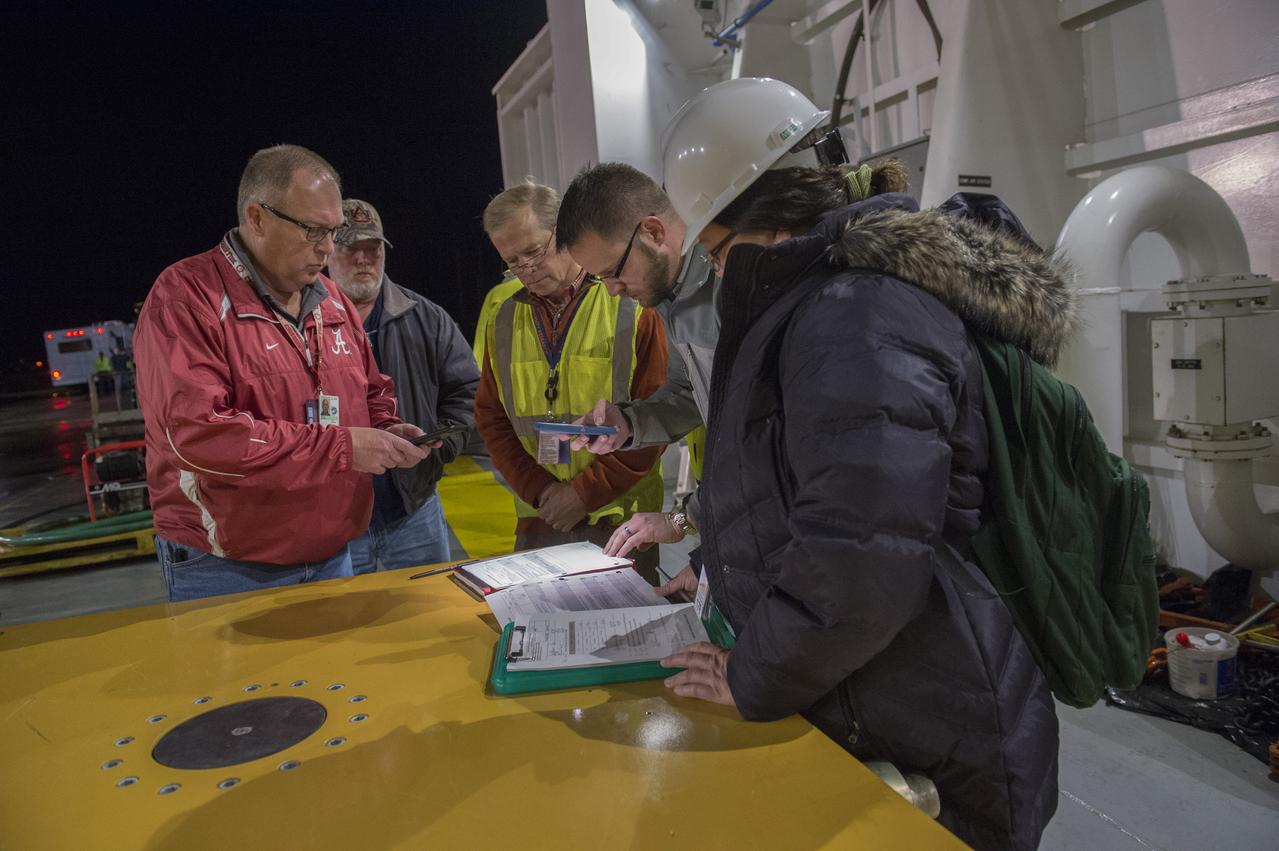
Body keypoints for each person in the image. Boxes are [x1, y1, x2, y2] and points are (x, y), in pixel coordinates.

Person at [653, 78, 1062, 851]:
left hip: (928, 721)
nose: (719, 271)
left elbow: (862, 553)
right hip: (879, 691)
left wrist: (752, 674)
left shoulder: (852, 315)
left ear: (767, 219)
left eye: (715, 251)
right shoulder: (821, 305)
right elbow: (795, 485)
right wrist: (715, 568)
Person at [134, 144, 428, 602]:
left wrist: (387, 429)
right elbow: (197, 434)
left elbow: (371, 390)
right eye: (313, 230)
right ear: (256, 217)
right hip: (228, 563)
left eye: (332, 231)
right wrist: (343, 447)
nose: (327, 248)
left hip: (335, 550)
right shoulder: (186, 298)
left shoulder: (331, 298)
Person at [475, 180, 668, 582]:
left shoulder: (630, 303)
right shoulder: (502, 319)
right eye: (512, 261)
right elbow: (492, 419)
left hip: (622, 523)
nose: (526, 269)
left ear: (563, 232)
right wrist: (543, 492)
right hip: (541, 519)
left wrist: (583, 494)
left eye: (534, 251)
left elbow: (658, 415)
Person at [554, 163, 716, 558]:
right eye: (600, 279)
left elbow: (762, 438)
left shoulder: (728, 283)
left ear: (653, 232)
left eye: (614, 272)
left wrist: (684, 519)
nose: (612, 291)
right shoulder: (670, 293)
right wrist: (628, 423)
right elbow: (688, 395)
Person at [328, 198, 480, 573]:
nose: (363, 259)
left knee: (428, 606)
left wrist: (438, 449)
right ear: (327, 252)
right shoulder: (303, 322)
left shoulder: (427, 318)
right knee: (346, 611)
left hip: (414, 511)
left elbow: (468, 391)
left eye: (373, 248)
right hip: (336, 517)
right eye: (350, 248)